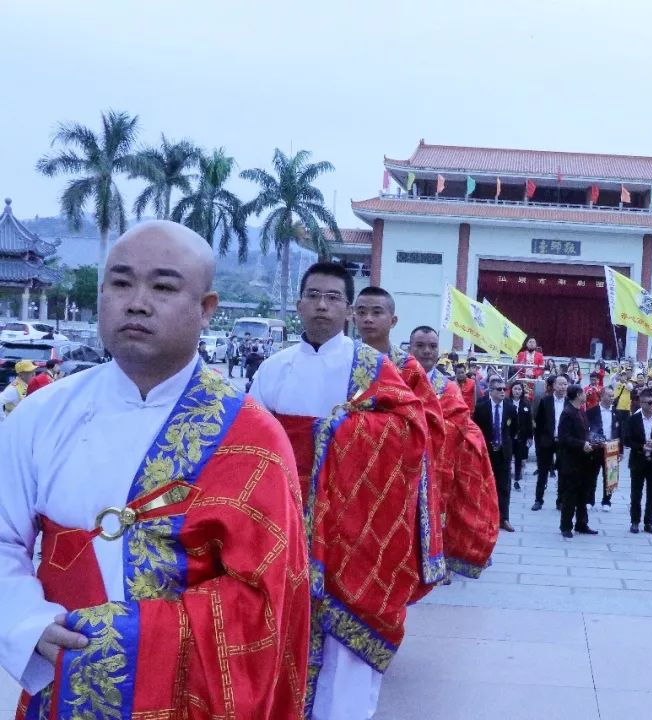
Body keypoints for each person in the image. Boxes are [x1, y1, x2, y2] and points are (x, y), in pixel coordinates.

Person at [0, 220, 309, 718]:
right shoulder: (42, 413)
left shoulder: (253, 437)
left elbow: (268, 602)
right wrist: (27, 623)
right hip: (64, 682)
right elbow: (4, 539)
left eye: (163, 287)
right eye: (121, 283)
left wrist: (130, 640)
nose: (137, 302)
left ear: (206, 308)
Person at [249, 262, 429, 719]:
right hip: (281, 520)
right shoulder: (272, 369)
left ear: (347, 309)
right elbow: (245, 447)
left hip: (351, 530)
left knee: (343, 655)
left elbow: (411, 432)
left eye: (332, 297)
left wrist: (338, 436)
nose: (322, 305)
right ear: (298, 304)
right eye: (313, 295)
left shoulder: (372, 368)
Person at [353, 287, 448, 597]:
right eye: (362, 311)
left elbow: (431, 423)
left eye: (376, 312)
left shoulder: (407, 369)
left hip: (396, 475)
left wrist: (373, 428)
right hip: (346, 472)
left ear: (392, 320)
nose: (368, 319)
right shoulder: (342, 360)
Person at [408, 325, 499, 576]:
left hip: (439, 467)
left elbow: (459, 422)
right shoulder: (396, 379)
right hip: (404, 464)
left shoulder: (447, 388)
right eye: (420, 346)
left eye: (432, 346)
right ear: (409, 348)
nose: (426, 351)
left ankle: (437, 562)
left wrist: (426, 428)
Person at [473, 376, 517, 532]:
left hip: (503, 453)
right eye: (499, 389)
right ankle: (484, 517)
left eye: (504, 389)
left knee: (504, 486)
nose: (503, 392)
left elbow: (513, 429)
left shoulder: (510, 408)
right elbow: (475, 429)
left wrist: (506, 444)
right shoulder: (481, 407)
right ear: (491, 391)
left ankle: (504, 518)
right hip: (486, 453)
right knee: (484, 486)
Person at [625, 387, 652, 535]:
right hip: (638, 459)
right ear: (642, 403)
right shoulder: (634, 419)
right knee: (636, 493)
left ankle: (649, 522)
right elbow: (627, 440)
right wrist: (641, 446)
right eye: (649, 402)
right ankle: (635, 521)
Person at [557, 385, 597, 538]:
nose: (586, 395)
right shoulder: (567, 413)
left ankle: (582, 523)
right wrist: (581, 444)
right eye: (583, 393)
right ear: (578, 395)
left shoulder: (581, 410)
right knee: (570, 494)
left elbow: (584, 432)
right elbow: (564, 437)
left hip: (584, 460)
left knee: (582, 493)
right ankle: (566, 525)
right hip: (571, 460)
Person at [532, 374, 569, 511]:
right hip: (547, 441)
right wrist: (540, 440)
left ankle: (560, 501)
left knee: (563, 472)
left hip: (563, 443)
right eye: (560, 384)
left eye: (565, 384)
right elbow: (539, 422)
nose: (562, 387)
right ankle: (538, 500)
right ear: (554, 386)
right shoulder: (545, 401)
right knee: (543, 472)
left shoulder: (569, 402)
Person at [586, 385, 622, 510]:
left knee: (610, 476)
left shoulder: (616, 413)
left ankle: (606, 501)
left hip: (612, 448)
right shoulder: (591, 411)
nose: (612, 398)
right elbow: (586, 430)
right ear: (601, 396)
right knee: (591, 475)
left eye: (613, 396)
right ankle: (589, 500)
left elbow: (620, 433)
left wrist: (620, 451)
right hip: (596, 447)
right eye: (609, 395)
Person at [508, 380, 534, 491]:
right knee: (508, 458)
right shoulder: (506, 402)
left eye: (519, 389)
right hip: (509, 436)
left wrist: (530, 436)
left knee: (519, 459)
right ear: (511, 390)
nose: (517, 391)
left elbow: (530, 421)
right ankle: (507, 478)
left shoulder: (526, 403)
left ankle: (517, 480)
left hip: (522, 436)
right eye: (515, 389)